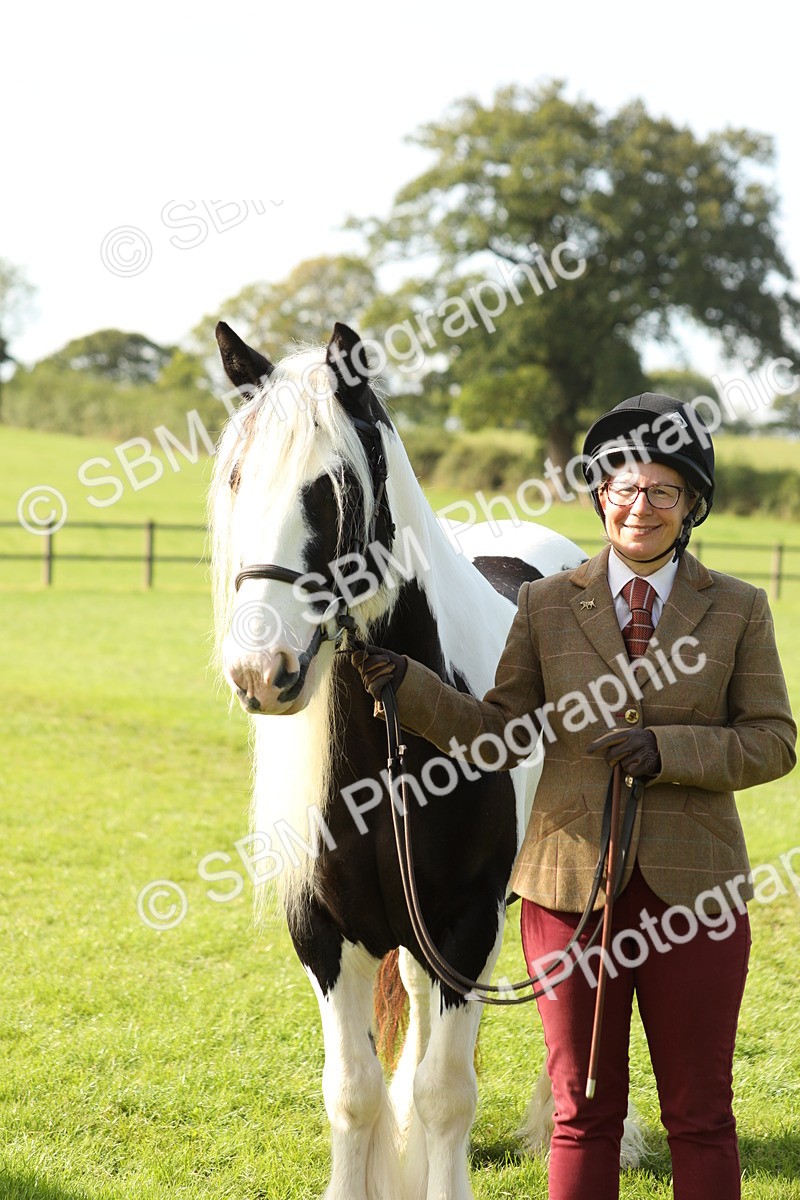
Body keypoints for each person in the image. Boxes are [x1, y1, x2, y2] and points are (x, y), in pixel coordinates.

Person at [351, 393, 796, 1200]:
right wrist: (411, 689)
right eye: (624, 487)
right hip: (567, 893)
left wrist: (670, 748)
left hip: (694, 899)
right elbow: (502, 733)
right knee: (581, 1111)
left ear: (692, 504)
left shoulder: (739, 608)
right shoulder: (547, 604)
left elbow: (773, 741)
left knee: (700, 1114)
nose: (641, 506)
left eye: (665, 491)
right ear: (600, 497)